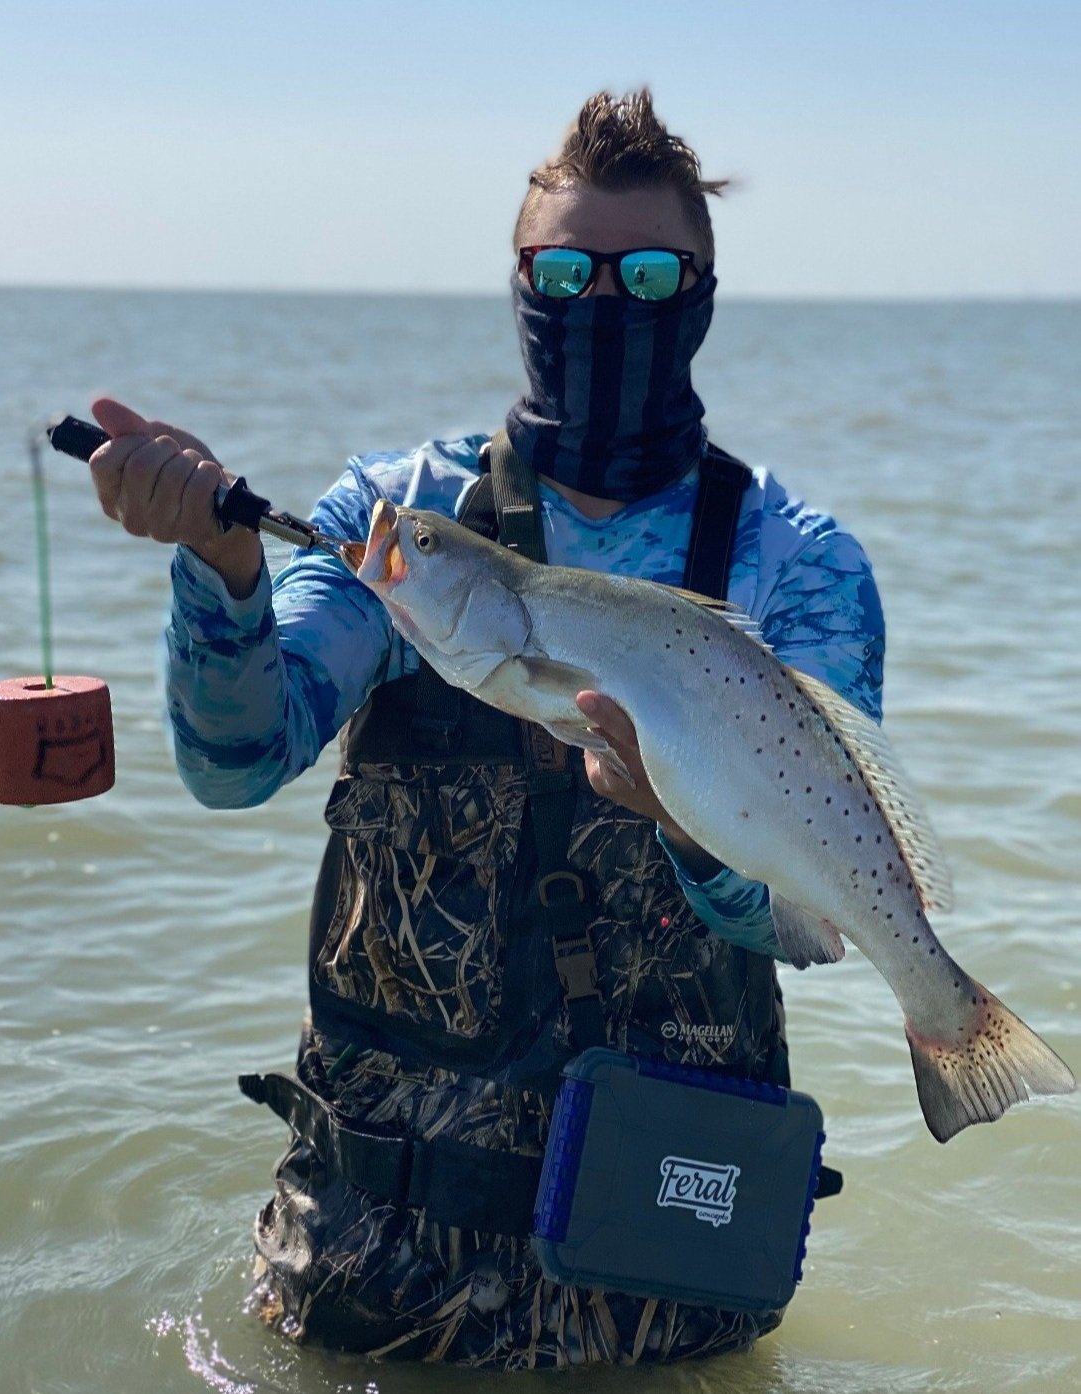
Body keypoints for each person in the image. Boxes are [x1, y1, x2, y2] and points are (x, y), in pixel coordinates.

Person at [87, 89, 884, 1368]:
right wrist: (222, 571)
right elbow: (237, 762)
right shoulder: (396, 518)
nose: (601, 303)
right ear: (519, 282)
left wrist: (683, 825)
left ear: (703, 288)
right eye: (564, 271)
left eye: (645, 273)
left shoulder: (798, 567)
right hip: (372, 1247)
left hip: (663, 1264)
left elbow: (801, 908)